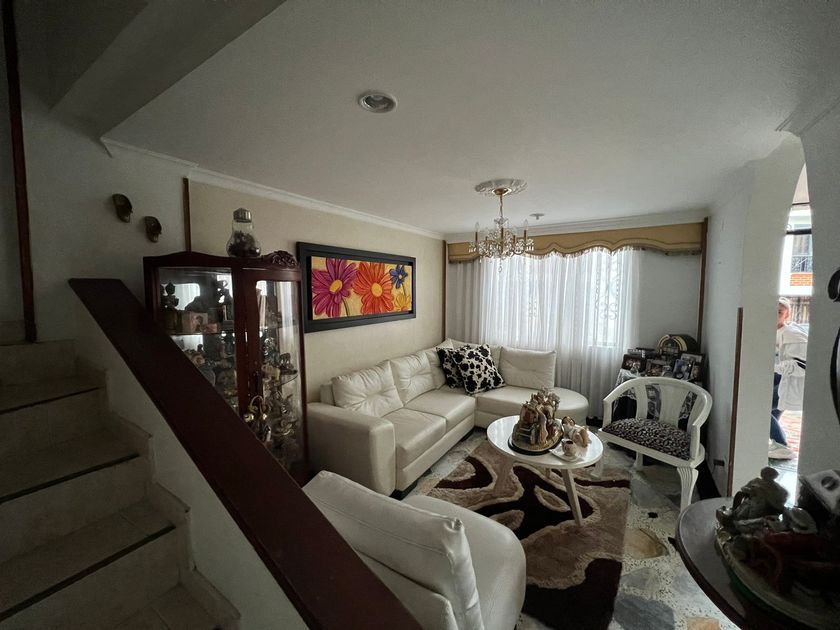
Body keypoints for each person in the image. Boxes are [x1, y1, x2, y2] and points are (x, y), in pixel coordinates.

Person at [769, 297, 808, 460]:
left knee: (763, 409)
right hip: (778, 379)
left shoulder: (792, 334)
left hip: (787, 380)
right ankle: (777, 443)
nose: (775, 315)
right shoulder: (771, 331)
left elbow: (803, 365)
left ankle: (782, 445)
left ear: (787, 315)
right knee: (773, 412)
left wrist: (774, 366)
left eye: (779, 312)